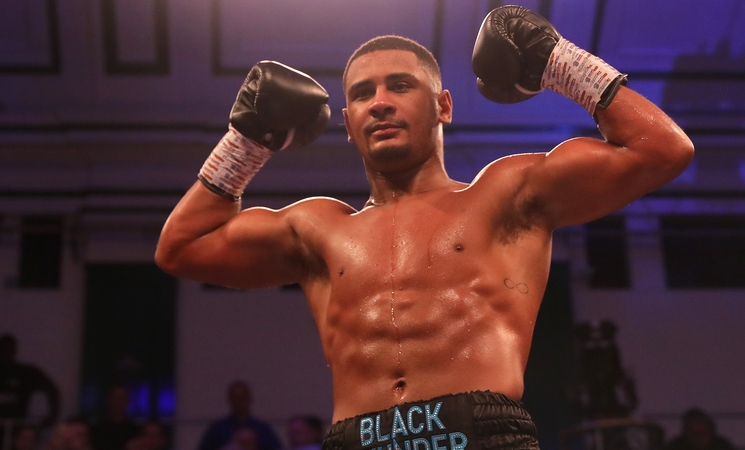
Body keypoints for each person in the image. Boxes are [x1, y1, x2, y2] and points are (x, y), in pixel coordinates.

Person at [155, 5, 693, 450]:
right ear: (347, 124)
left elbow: (662, 149)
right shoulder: (318, 229)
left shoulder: (506, 194)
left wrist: (557, 60)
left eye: (400, 86)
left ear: (443, 106)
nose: (380, 103)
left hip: (481, 433)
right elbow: (181, 249)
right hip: (355, 439)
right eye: (363, 94)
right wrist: (247, 142)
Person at [0, 334, 60, 445]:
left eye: (9, 349)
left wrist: (53, 415)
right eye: (3, 349)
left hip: (17, 428)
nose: (6, 352)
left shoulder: (25, 372)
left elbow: (52, 390)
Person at [197, 381, 281, 450]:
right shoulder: (217, 430)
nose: (240, 401)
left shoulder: (263, 430)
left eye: (243, 397)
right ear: (229, 399)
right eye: (236, 397)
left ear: (249, 398)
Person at [90, 384, 141, 450]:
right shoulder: (97, 428)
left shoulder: (134, 430)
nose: (119, 401)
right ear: (108, 400)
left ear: (127, 401)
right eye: (116, 397)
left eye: (123, 398)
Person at [666, 409, 734, 450]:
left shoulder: (722, 446)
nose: (699, 438)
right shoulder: (676, 446)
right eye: (694, 433)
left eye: (703, 433)